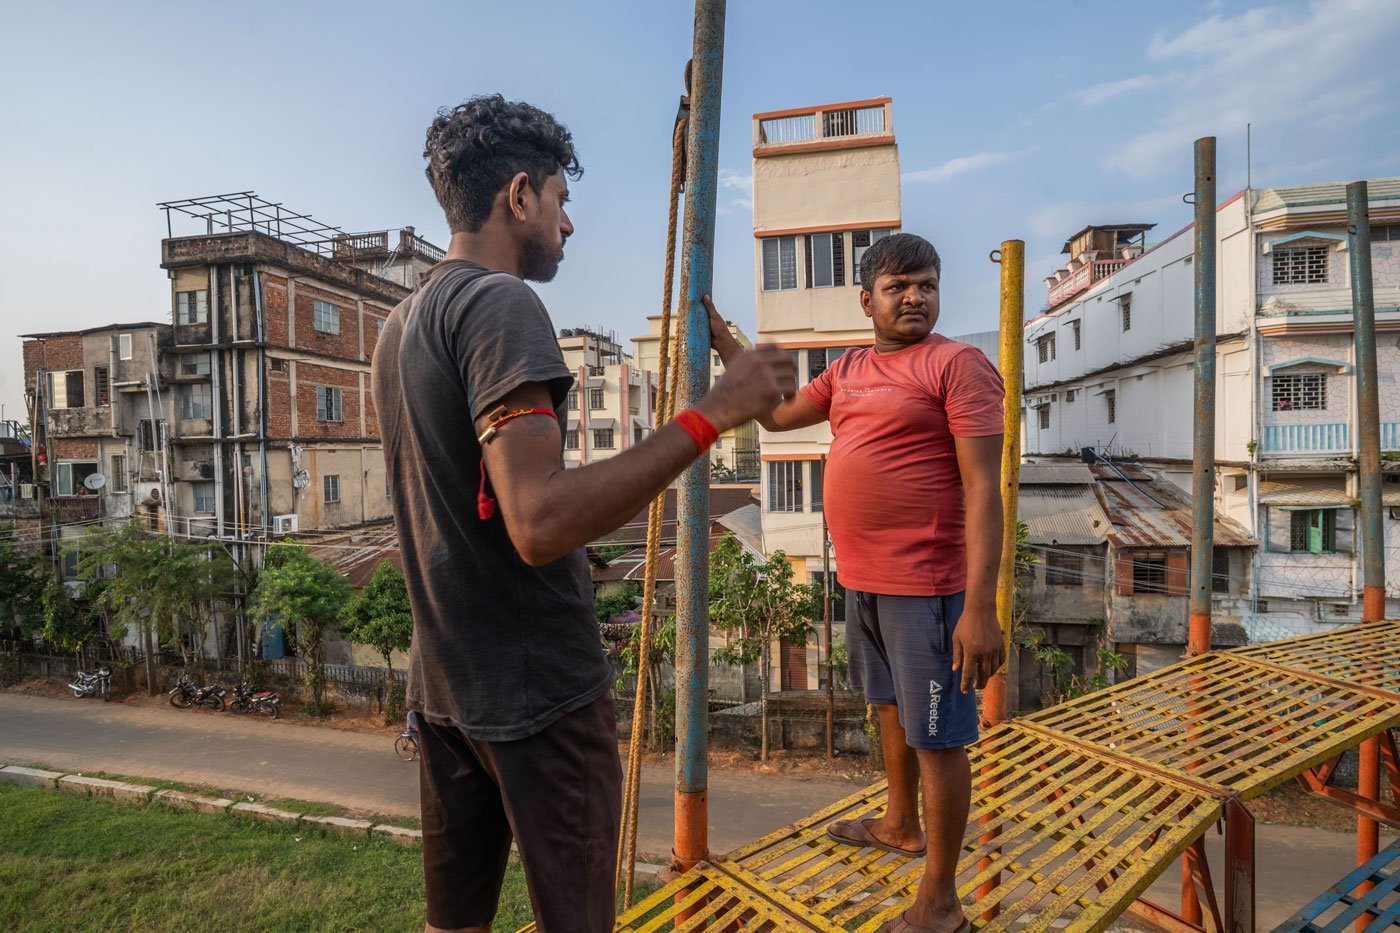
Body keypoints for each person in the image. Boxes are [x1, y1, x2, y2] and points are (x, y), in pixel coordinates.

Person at [371, 95, 796, 933]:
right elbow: (538, 521)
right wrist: (714, 411)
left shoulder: (398, 325)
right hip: (539, 695)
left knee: (451, 925)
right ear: (519, 195)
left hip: (448, 688)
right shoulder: (499, 306)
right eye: (563, 201)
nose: (569, 226)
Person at [709, 233, 1005, 933]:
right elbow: (778, 416)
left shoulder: (958, 366)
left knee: (939, 737)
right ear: (865, 298)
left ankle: (940, 901)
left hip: (929, 586)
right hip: (862, 581)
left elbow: (984, 489)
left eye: (926, 284)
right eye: (899, 286)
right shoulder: (846, 369)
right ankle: (901, 823)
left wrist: (981, 607)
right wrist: (726, 346)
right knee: (889, 709)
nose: (915, 297)